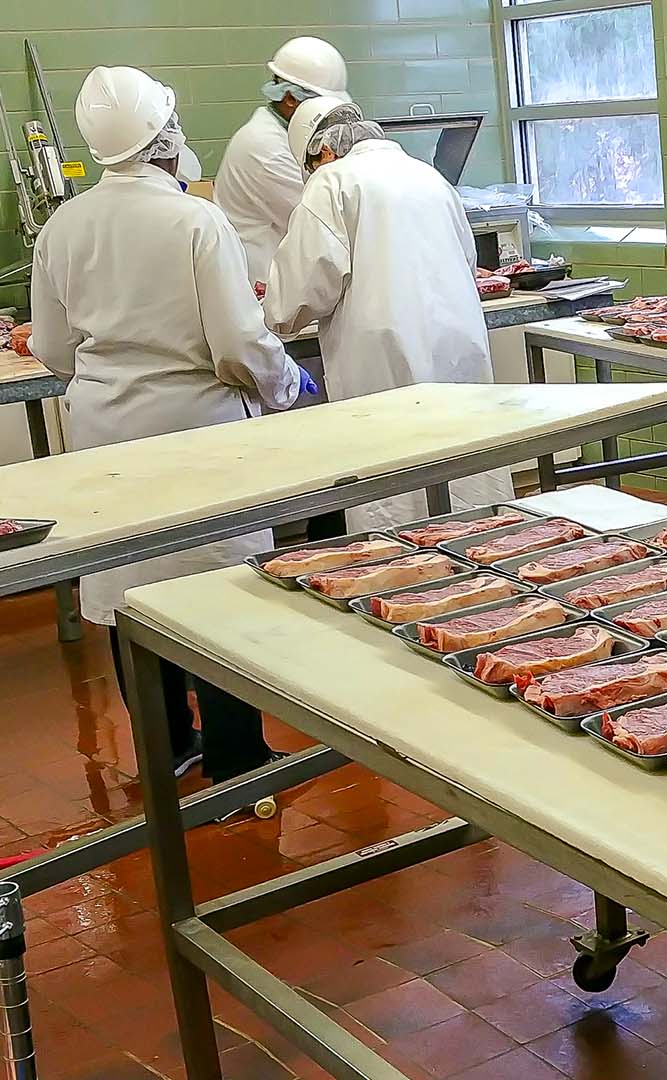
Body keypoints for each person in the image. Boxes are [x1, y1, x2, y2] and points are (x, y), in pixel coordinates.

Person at [29, 67, 317, 782]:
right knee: (213, 592)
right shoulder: (194, 218)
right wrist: (291, 389)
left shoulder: (64, 225)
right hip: (197, 429)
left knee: (128, 592)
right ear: (167, 138)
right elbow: (240, 345)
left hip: (101, 434)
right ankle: (235, 755)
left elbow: (55, 349)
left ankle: (167, 750)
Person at [263, 97, 514, 531]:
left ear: (322, 152)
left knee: (398, 500)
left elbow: (291, 302)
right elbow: (467, 259)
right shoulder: (429, 177)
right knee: (467, 477)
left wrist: (270, 310)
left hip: (384, 364)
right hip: (457, 349)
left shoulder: (332, 184)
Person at [214, 37, 349, 286]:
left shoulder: (287, 133)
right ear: (290, 99)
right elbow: (321, 219)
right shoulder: (265, 148)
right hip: (264, 275)